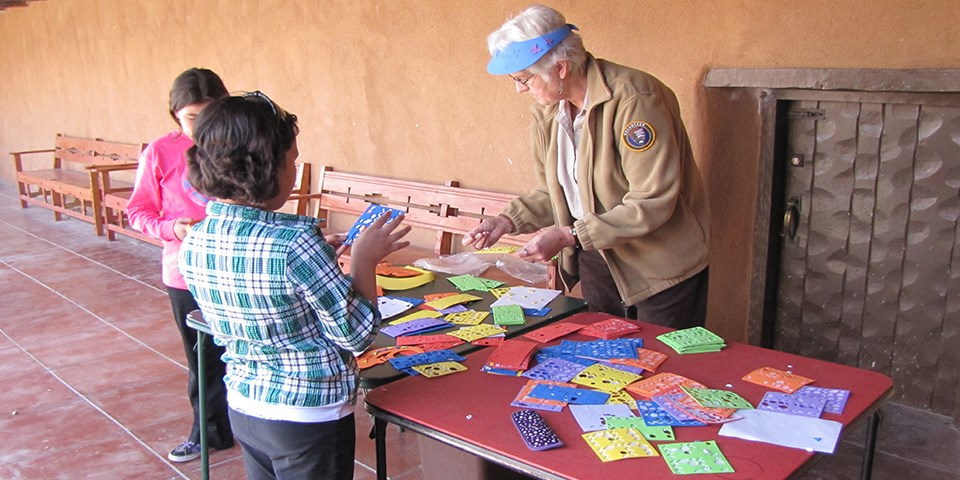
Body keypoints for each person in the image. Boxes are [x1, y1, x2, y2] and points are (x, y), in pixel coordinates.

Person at [177, 91, 411, 480]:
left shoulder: (197, 238)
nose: (295, 169)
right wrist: (364, 261)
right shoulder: (295, 245)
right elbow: (356, 335)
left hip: (246, 405)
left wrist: (319, 259)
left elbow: (268, 288)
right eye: (293, 160)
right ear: (267, 166)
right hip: (308, 415)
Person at [463, 5, 710, 329]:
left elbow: (652, 200)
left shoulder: (635, 100)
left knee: (661, 368)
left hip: (659, 266)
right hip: (598, 256)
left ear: (561, 68)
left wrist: (570, 235)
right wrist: (507, 221)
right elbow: (557, 192)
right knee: (602, 365)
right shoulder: (550, 113)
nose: (519, 89)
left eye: (525, 79)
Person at [126, 68, 234, 462]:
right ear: (175, 115)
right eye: (191, 117)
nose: (201, 125)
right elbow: (137, 211)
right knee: (202, 359)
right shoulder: (159, 152)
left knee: (244, 350)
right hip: (185, 273)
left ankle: (253, 425)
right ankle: (208, 433)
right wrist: (172, 227)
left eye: (209, 114)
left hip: (237, 267)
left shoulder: (238, 144)